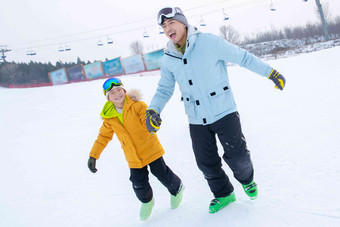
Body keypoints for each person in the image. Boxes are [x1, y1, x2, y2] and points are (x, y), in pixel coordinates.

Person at [145, 7, 286, 214]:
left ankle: (246, 180)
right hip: (196, 118)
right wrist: (153, 110)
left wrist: (270, 72)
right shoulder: (169, 58)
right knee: (206, 163)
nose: (168, 29)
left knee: (238, 157)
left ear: (183, 22)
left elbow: (243, 57)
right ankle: (224, 194)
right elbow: (164, 89)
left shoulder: (209, 42)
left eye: (171, 23)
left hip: (224, 111)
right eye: (164, 26)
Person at [88, 77, 184, 221]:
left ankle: (177, 189)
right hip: (133, 156)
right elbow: (103, 137)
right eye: (112, 92)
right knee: (138, 183)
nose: (117, 94)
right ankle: (147, 202)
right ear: (108, 98)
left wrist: (152, 123)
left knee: (162, 174)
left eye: (119, 89)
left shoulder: (138, 106)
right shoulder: (109, 118)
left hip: (150, 149)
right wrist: (93, 155)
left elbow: (147, 121)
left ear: (124, 90)